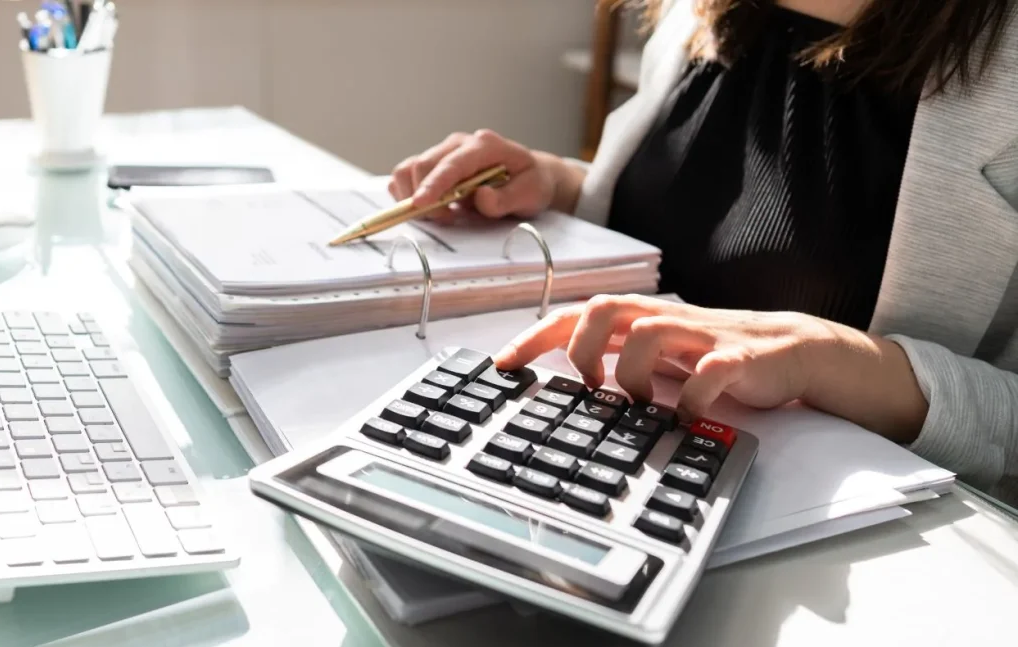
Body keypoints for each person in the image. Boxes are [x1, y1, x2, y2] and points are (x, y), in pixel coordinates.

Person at [388, 0, 1018, 505]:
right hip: (617, 456)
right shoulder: (695, 13)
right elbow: (703, 225)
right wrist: (557, 182)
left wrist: (828, 356)